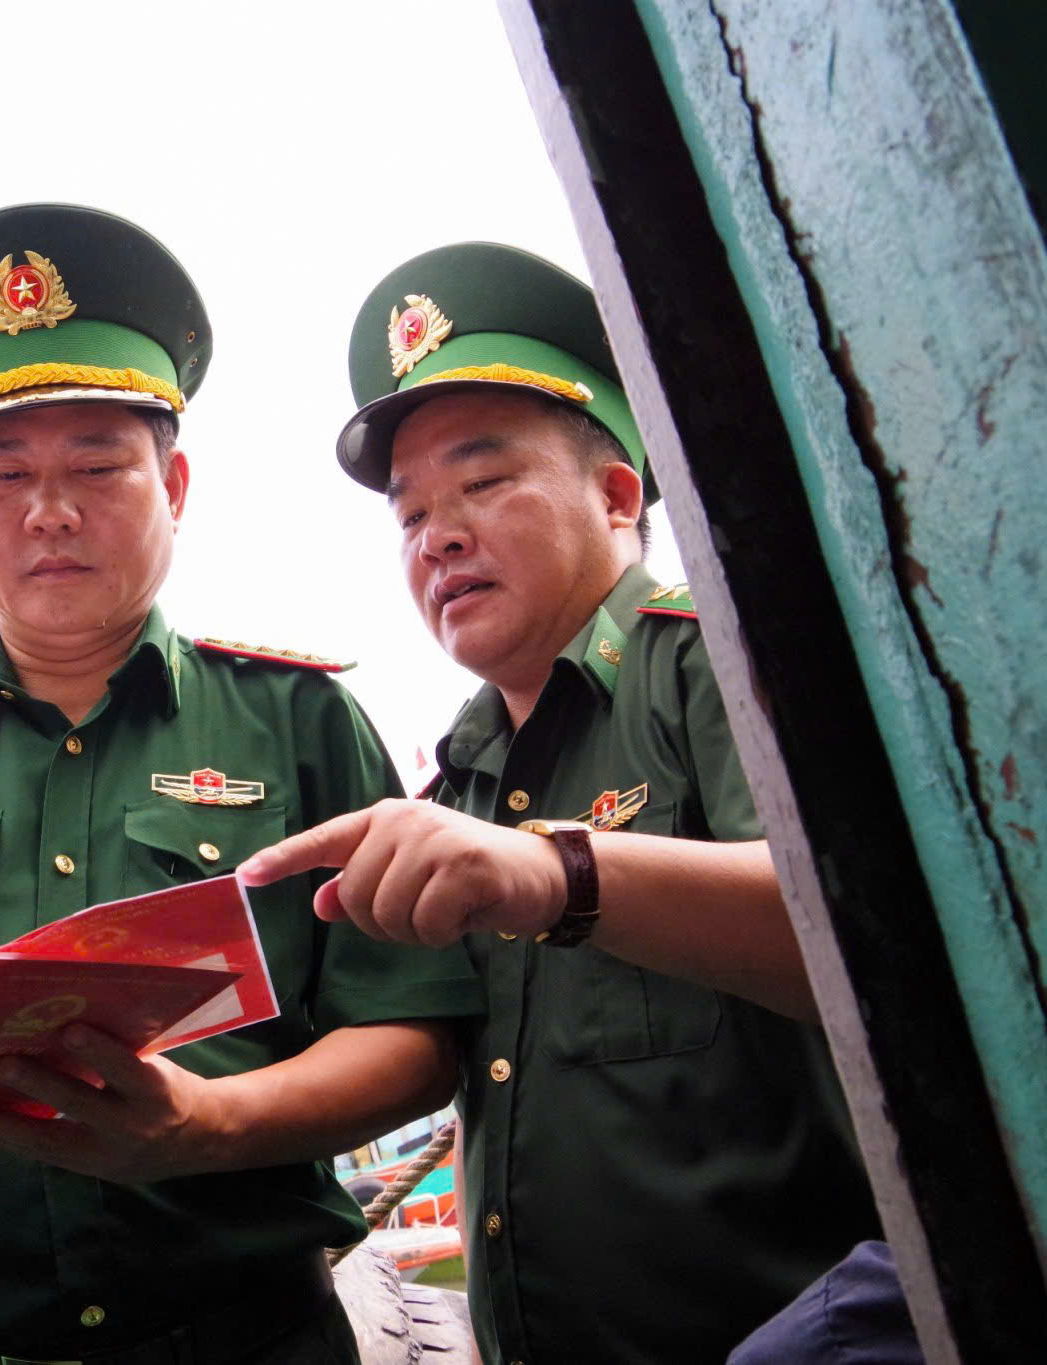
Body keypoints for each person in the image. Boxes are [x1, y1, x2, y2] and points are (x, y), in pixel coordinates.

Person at [0, 203, 479, 1365]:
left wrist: (207, 1127)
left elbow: (412, 1029)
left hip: (244, 1340)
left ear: (174, 481)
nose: (49, 511)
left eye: (97, 467)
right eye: (3, 471)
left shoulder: (298, 723)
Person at [238, 242, 883, 1363]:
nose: (436, 535)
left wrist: (556, 872)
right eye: (409, 514)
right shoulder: (458, 783)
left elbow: (871, 934)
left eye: (483, 483)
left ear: (617, 493)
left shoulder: (718, 671)